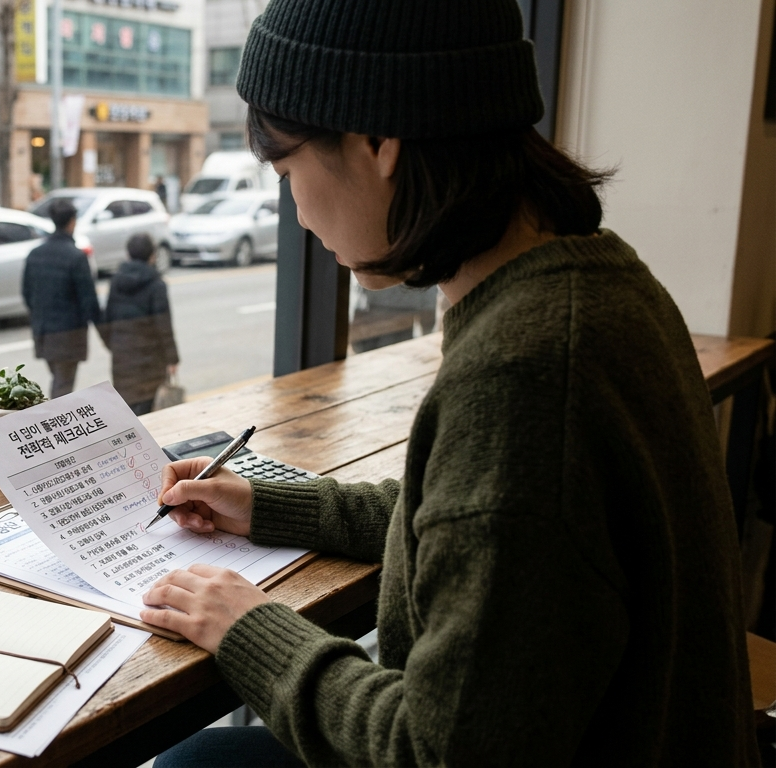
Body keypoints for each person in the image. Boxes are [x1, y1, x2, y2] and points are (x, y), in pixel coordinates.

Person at [142, 0, 756, 765]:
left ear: (377, 143)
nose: (296, 212)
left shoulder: (523, 377)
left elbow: (437, 751)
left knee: (195, 761)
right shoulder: (598, 280)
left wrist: (250, 629)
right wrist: (270, 506)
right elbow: (485, 523)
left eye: (287, 168)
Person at [22, 198, 101, 398]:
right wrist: (105, 332)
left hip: (43, 331)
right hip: (69, 334)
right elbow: (88, 301)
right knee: (63, 386)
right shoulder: (76, 257)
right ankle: (56, 424)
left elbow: (27, 293)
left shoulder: (35, 254)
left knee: (59, 379)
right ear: (72, 221)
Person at [100, 232, 178, 415]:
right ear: (152, 256)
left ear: (128, 254)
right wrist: (172, 358)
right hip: (150, 358)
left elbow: (107, 318)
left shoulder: (116, 281)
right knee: (148, 408)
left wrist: (113, 345)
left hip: (122, 355)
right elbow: (163, 325)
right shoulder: (156, 284)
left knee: (126, 407)